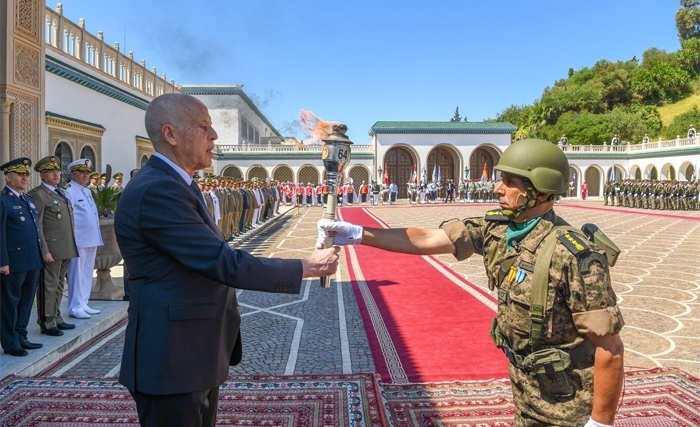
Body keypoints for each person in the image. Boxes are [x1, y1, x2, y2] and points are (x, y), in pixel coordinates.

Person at [318, 139, 625, 427]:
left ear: (541, 192)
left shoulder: (573, 254)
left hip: (568, 397)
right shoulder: (499, 230)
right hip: (527, 383)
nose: (497, 189)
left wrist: (599, 422)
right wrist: (359, 234)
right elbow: (426, 239)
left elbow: (609, 347)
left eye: (509, 182)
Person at [114, 93, 339, 427]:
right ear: (171, 134)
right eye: (203, 127)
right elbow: (223, 262)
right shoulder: (158, 190)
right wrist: (305, 266)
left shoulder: (177, 184)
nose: (214, 136)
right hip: (172, 358)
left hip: (193, 353)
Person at [28, 156, 79, 337]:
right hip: (51, 250)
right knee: (48, 286)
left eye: (58, 171)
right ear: (42, 175)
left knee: (59, 285)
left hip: (65, 247)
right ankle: (47, 321)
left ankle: (56, 316)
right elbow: (38, 225)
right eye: (51, 171)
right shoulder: (38, 194)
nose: (56, 174)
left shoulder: (61, 193)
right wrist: (44, 250)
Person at [0, 157, 44, 357]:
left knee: (26, 300)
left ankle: (21, 335)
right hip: (14, 262)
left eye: (27, 174)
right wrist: (3, 261)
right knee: (10, 302)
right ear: (8, 178)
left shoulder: (27, 199)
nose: (25, 177)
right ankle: (10, 342)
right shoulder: (3, 201)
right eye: (20, 174)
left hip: (32, 259)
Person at [64, 159, 104, 319]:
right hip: (78, 239)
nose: (86, 175)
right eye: (82, 173)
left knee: (87, 272)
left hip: (91, 238)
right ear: (73, 175)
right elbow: (69, 217)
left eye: (87, 173)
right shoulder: (69, 191)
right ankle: (75, 306)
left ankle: (83, 303)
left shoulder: (87, 192)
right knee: (76, 274)